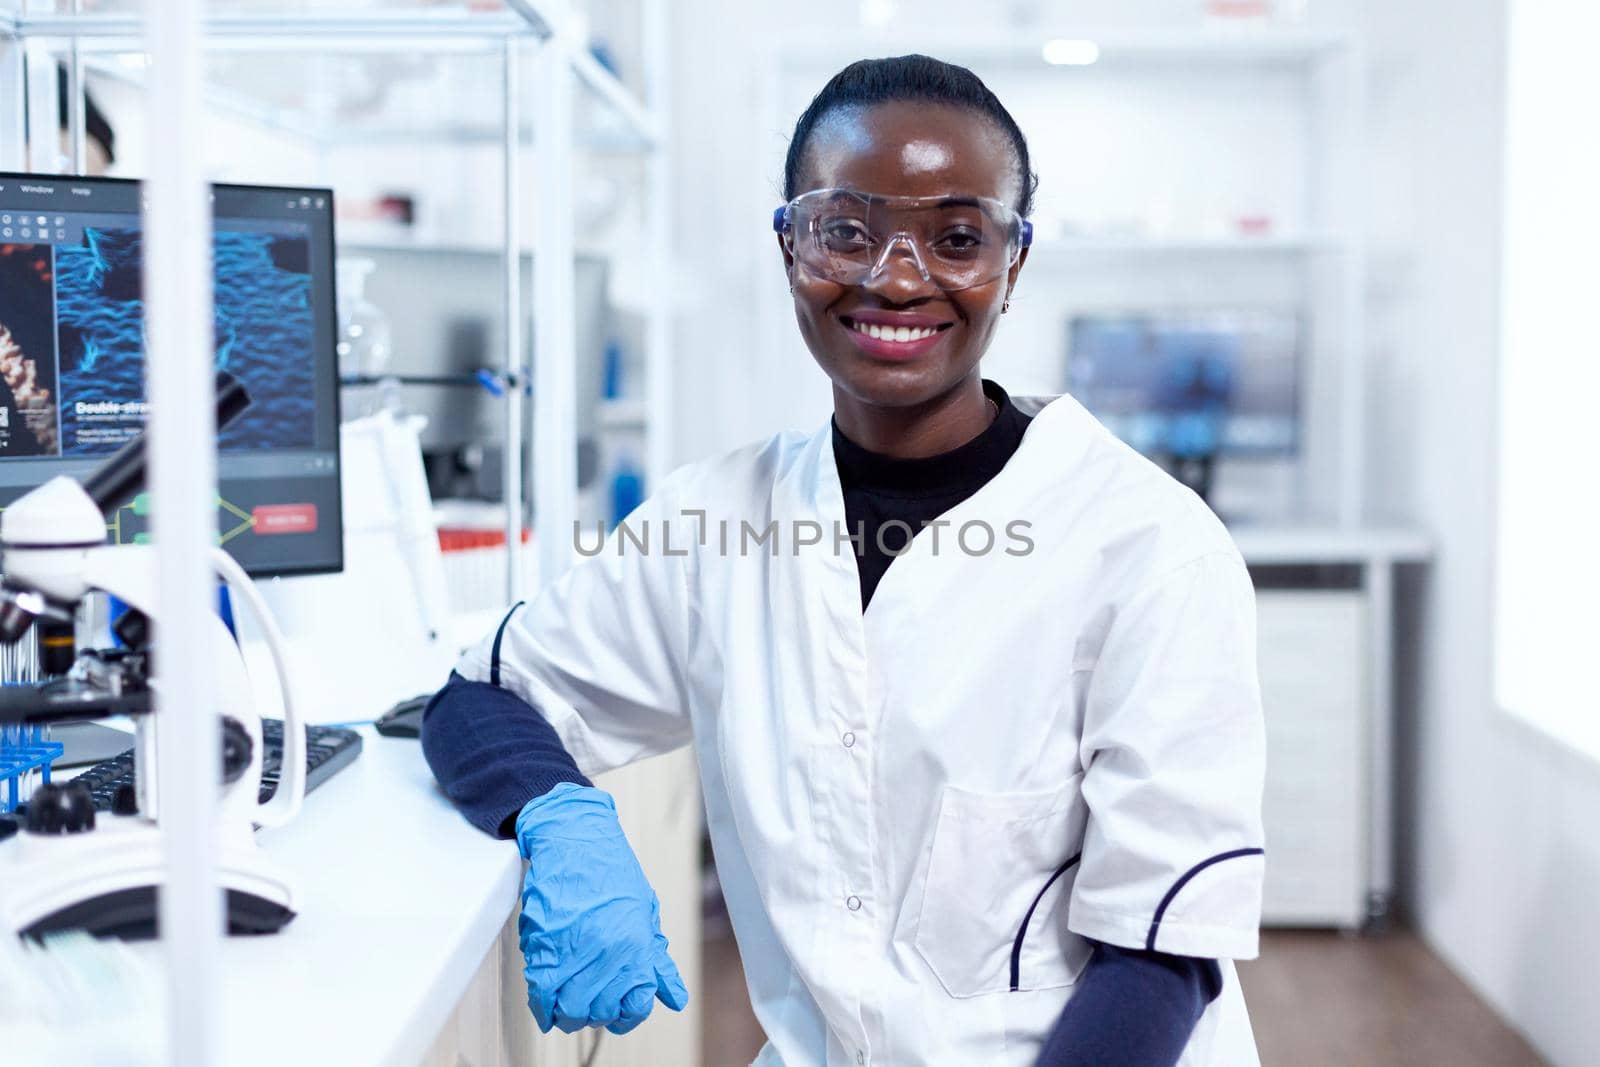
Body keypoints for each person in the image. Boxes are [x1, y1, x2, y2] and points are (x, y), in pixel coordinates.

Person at [422, 55, 1266, 1066]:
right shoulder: (712, 523)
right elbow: (475, 700)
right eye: (845, 230)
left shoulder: (1149, 548)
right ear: (790, 245)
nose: (896, 276)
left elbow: (1158, 960)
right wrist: (558, 816)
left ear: (1013, 260)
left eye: (957, 237)